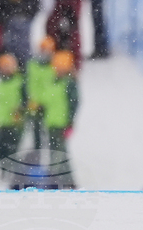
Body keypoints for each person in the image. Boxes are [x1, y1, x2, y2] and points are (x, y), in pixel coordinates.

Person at [44, 51, 79, 189]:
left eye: (60, 67)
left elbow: (74, 104)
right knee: (54, 152)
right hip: (51, 123)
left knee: (60, 153)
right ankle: (57, 179)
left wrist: (70, 122)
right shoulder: (53, 82)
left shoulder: (69, 83)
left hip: (61, 124)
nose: (57, 69)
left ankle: (66, 181)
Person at [0, 52, 25, 175]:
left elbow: (25, 100)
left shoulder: (20, 82)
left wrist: (20, 112)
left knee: (13, 149)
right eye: (3, 67)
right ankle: (3, 172)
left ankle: (12, 172)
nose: (5, 70)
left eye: (8, 67)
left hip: (14, 122)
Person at [25, 36, 56, 150]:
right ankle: (37, 157)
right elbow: (27, 83)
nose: (45, 53)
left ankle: (52, 160)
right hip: (34, 104)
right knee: (36, 134)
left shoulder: (55, 66)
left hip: (49, 106)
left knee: (52, 136)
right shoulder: (32, 65)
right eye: (43, 49)